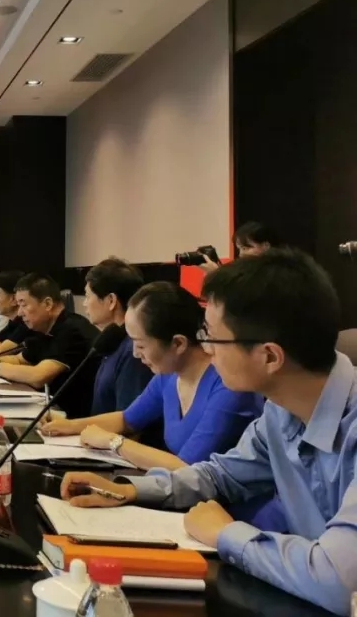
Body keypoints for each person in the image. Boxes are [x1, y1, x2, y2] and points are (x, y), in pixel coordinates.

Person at [59, 250, 357, 616]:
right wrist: (129, 489)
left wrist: (224, 533)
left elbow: (339, 581)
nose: (207, 349)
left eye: (213, 337)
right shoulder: (280, 413)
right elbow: (219, 475)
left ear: (269, 356)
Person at [42, 281, 262, 472]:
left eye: (140, 345)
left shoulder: (228, 386)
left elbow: (188, 469)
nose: (135, 354)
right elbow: (127, 419)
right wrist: (70, 425)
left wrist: (113, 442)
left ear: (178, 343)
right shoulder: (168, 376)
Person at [0, 273, 100, 418]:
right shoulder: (43, 328)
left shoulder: (73, 330)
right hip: (52, 412)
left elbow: (38, 376)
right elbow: (19, 360)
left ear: (47, 304)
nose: (20, 313)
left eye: (24, 304)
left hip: (73, 420)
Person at [80, 258, 154, 415]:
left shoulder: (133, 352)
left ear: (111, 301)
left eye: (88, 296)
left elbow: (127, 420)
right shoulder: (112, 341)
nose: (84, 303)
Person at [202, 221, 283, 272]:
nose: (241, 254)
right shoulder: (243, 269)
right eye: (239, 249)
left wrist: (216, 274)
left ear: (266, 246)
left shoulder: (277, 272)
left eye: (245, 248)